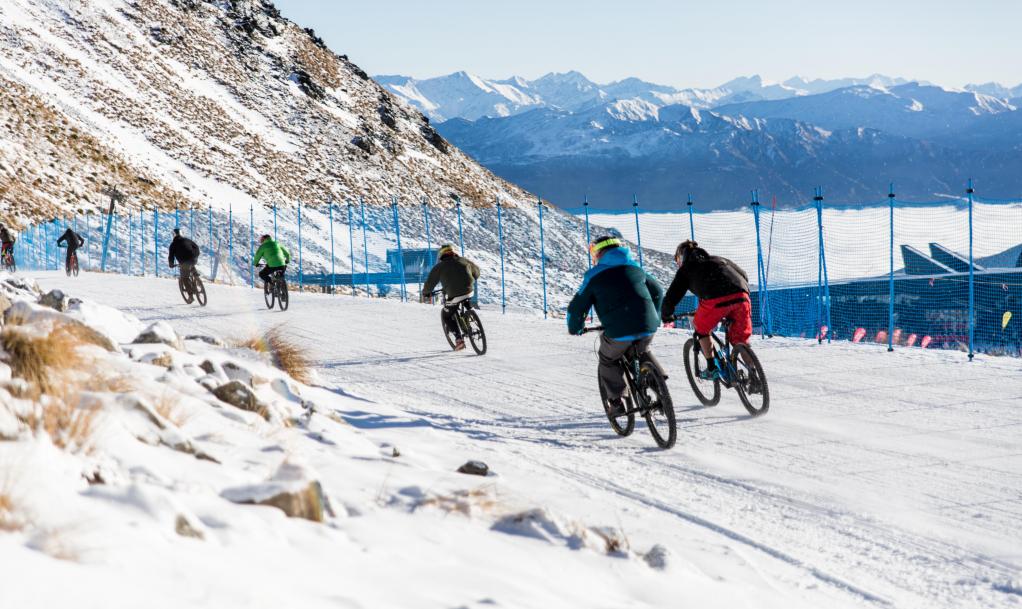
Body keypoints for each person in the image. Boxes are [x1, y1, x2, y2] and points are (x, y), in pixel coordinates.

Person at [567, 234, 664, 416]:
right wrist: (655, 316)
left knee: (608, 359)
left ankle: (616, 402)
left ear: (598, 253)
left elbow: (577, 307)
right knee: (642, 350)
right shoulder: (635, 267)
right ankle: (660, 385)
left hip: (619, 331)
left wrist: (575, 327)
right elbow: (658, 291)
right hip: (648, 327)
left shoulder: (593, 275)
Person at [661, 240, 757, 387]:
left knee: (701, 329)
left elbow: (672, 295)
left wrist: (666, 314)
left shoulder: (686, 269)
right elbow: (743, 274)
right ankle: (755, 376)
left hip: (715, 299)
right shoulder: (719, 259)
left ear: (682, 257)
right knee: (741, 339)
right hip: (742, 296)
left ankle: (712, 368)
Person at [421, 244, 480, 351]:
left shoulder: (439, 267)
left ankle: (459, 339)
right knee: (465, 298)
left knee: (446, 315)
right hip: (470, 291)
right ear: (454, 252)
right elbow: (477, 272)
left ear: (441, 255)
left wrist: (426, 293)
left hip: (454, 295)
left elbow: (430, 283)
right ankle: (469, 313)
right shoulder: (464, 260)